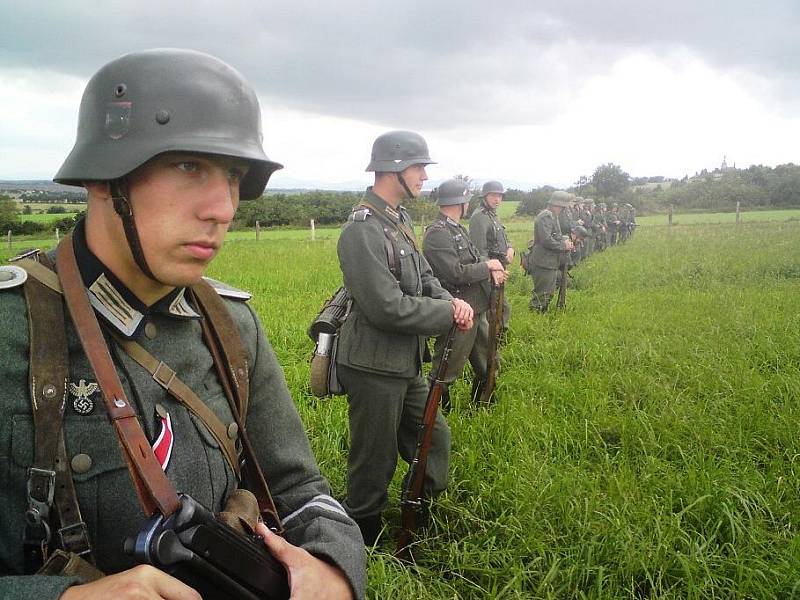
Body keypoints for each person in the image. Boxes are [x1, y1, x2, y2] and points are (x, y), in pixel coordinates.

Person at [0, 48, 364, 600]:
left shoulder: (232, 325)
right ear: (105, 178)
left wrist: (331, 568)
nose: (222, 207)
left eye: (235, 176)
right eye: (188, 166)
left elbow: (300, 489)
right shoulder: (10, 327)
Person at [335, 131, 474, 546]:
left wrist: (451, 300)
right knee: (373, 460)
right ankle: (362, 538)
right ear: (394, 167)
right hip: (373, 365)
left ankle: (418, 513)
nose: (424, 178)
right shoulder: (361, 230)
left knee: (434, 437)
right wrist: (445, 313)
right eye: (419, 168)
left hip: (405, 361)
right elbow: (386, 307)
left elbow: (426, 277)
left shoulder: (398, 221)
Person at [424, 178, 508, 406]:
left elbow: (474, 257)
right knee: (446, 368)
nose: (469, 205)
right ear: (460, 202)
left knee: (488, 361)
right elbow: (455, 273)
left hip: (477, 307)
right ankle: (436, 415)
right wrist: (487, 267)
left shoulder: (457, 228)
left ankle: (483, 405)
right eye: (467, 200)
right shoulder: (437, 233)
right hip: (459, 311)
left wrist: (491, 267)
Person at [468, 180, 513, 332]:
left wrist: (510, 248)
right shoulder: (479, 217)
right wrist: (492, 271)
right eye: (493, 195)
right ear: (485, 196)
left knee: (500, 306)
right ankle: (495, 341)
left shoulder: (492, 215)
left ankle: (496, 340)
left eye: (500, 196)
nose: (497, 199)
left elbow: (502, 237)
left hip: (499, 268)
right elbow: (478, 250)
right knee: (499, 308)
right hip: (488, 271)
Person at [529, 191, 574, 313]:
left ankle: (540, 316)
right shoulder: (546, 216)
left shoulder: (553, 216)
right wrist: (563, 245)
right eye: (561, 206)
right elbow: (546, 240)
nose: (562, 209)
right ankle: (534, 320)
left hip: (549, 261)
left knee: (547, 293)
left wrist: (565, 242)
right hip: (543, 261)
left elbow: (555, 236)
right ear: (555, 204)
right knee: (541, 295)